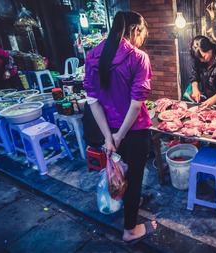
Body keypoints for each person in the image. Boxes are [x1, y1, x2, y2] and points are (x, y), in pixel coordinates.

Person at [83, 11, 157, 244]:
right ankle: (130, 230)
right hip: (133, 132)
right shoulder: (138, 57)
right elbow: (136, 105)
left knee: (122, 172)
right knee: (134, 178)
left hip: (109, 130)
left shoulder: (94, 55)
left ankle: (132, 202)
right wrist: (121, 135)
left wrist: (109, 138)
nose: (142, 40)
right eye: (142, 35)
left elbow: (92, 100)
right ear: (135, 30)